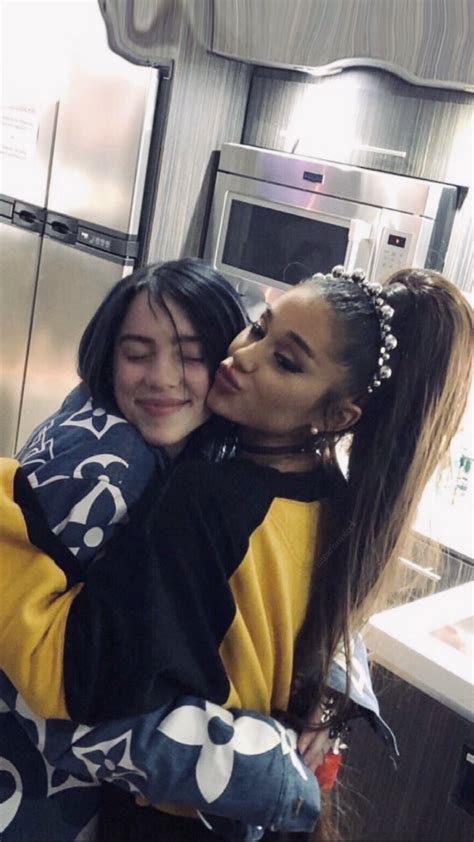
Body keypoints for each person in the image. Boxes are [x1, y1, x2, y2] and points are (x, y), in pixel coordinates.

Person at [5, 265, 466, 839]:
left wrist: (9, 510)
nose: (244, 358)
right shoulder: (346, 501)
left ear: (335, 416)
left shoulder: (206, 495)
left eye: (285, 361)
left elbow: (85, 682)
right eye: (258, 330)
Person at [0, 259, 328, 842]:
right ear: (108, 355)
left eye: (191, 354)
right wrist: (270, 769)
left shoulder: (202, 455)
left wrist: (326, 697)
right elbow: (58, 704)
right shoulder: (111, 469)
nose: (163, 377)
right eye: (137, 352)